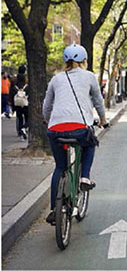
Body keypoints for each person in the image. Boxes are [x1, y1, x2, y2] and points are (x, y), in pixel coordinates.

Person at [42, 44, 107, 225]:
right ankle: (84, 177)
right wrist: (102, 119)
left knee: (60, 167)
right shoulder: (89, 77)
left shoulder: (56, 79)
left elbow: (47, 106)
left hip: (55, 130)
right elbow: (98, 101)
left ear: (66, 61)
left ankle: (55, 209)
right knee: (90, 143)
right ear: (84, 60)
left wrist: (47, 120)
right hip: (80, 128)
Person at [10, 65, 29, 140]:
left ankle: (21, 133)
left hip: (17, 102)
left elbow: (11, 93)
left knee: (19, 118)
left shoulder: (14, 80)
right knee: (28, 118)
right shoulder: (27, 80)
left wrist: (12, 104)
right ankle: (24, 128)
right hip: (25, 102)